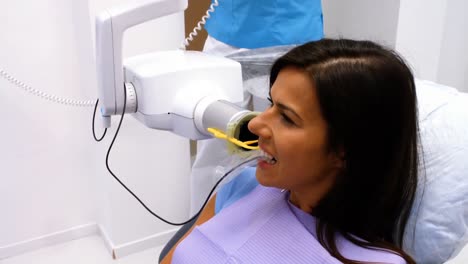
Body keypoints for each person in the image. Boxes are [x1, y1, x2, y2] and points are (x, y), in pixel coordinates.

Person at [160, 38, 419, 263]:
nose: (255, 123)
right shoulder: (242, 186)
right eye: (271, 103)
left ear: (345, 150)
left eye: (287, 118)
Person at [190, 0, 324, 214]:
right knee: (213, 147)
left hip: (289, 35)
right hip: (227, 31)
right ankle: (202, 229)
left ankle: (279, 230)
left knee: (282, 146)